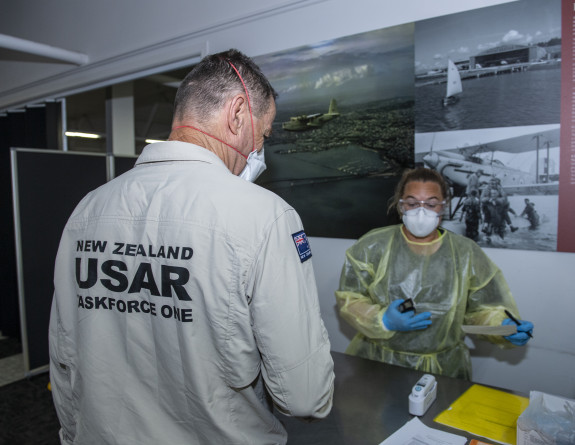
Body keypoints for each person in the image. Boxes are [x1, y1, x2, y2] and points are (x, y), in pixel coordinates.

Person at [49, 49, 334, 445]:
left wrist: (70, 435)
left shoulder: (88, 210)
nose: (258, 151)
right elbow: (305, 397)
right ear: (237, 114)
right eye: (263, 134)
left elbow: (64, 357)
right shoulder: (266, 216)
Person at [335, 167, 533, 380]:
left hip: (444, 369)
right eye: (412, 203)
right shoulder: (372, 246)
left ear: (443, 206)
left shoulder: (465, 252)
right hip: (378, 364)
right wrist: (382, 320)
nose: (421, 212)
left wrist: (502, 327)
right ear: (400, 206)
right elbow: (351, 299)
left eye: (431, 204)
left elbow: (480, 311)